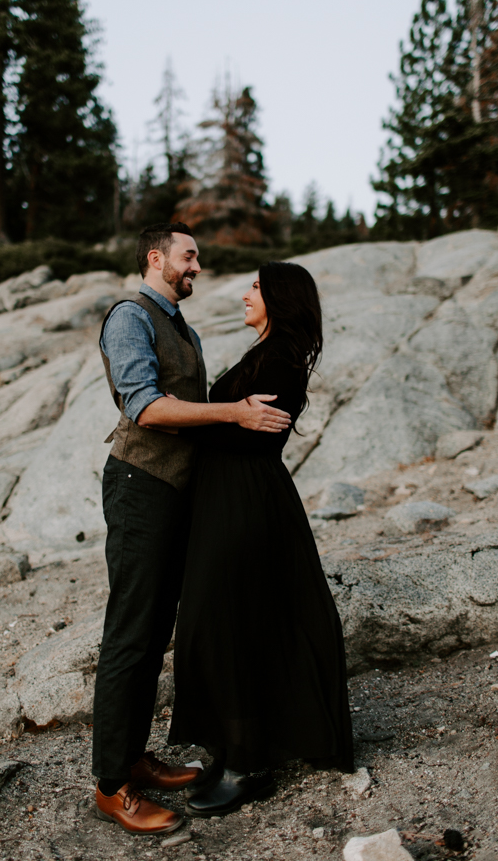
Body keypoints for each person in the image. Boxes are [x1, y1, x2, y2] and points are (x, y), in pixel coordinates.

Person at [92, 223, 292, 836]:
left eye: (197, 257)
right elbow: (144, 406)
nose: (197, 267)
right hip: (140, 489)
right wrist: (235, 411)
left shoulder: (182, 324)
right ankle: (111, 785)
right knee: (130, 634)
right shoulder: (131, 315)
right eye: (188, 256)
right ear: (156, 258)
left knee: (154, 634)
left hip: (177, 495)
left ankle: (134, 756)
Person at [169, 260, 354, 817]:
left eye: (255, 287)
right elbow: (236, 425)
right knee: (222, 620)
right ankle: (234, 745)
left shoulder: (280, 360)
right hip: (230, 497)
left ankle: (250, 764)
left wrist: (189, 421)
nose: (246, 295)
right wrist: (222, 417)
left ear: (279, 298)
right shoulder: (265, 354)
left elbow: (250, 441)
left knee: (226, 621)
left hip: (244, 500)